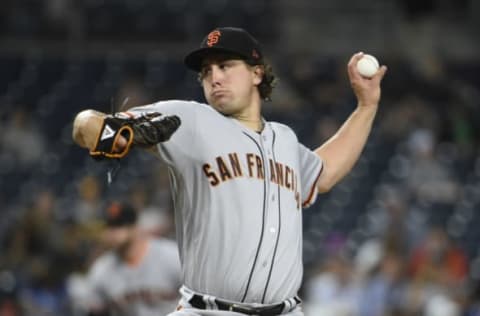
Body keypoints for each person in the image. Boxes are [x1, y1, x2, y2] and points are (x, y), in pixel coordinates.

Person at [71, 27, 387, 316]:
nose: (214, 78)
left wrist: (366, 106)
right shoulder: (190, 121)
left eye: (225, 66)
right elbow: (86, 126)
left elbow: (326, 171)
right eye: (207, 71)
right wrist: (110, 132)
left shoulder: (285, 139)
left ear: (257, 73)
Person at [69, 200, 181, 316]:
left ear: (135, 226)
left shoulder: (171, 256)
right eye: (109, 226)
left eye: (119, 225)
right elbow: (92, 307)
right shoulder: (102, 270)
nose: (113, 232)